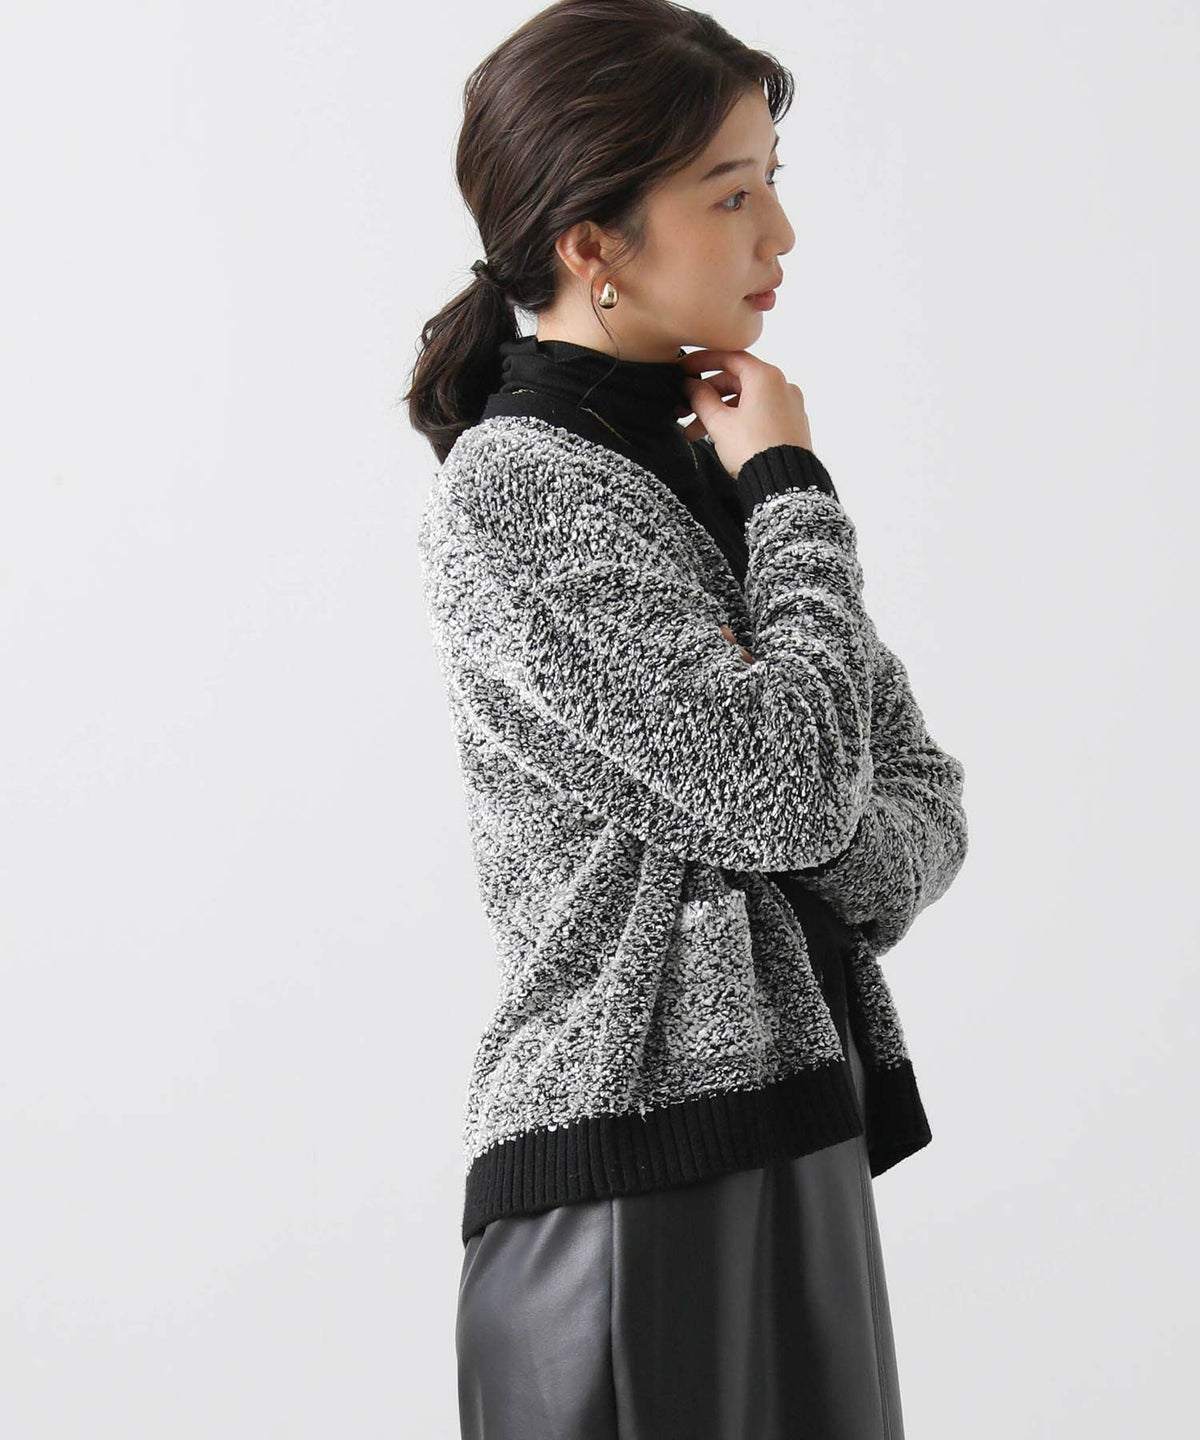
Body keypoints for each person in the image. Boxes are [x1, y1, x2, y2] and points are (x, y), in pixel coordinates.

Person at [405, 3, 970, 1435]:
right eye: (731, 194)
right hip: (627, 1169)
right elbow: (801, 792)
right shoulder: (522, 487)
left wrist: (798, 802)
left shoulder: (706, 471)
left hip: (796, 1120)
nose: (780, 233)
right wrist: (789, 486)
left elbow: (916, 810)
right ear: (593, 244)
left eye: (774, 180)